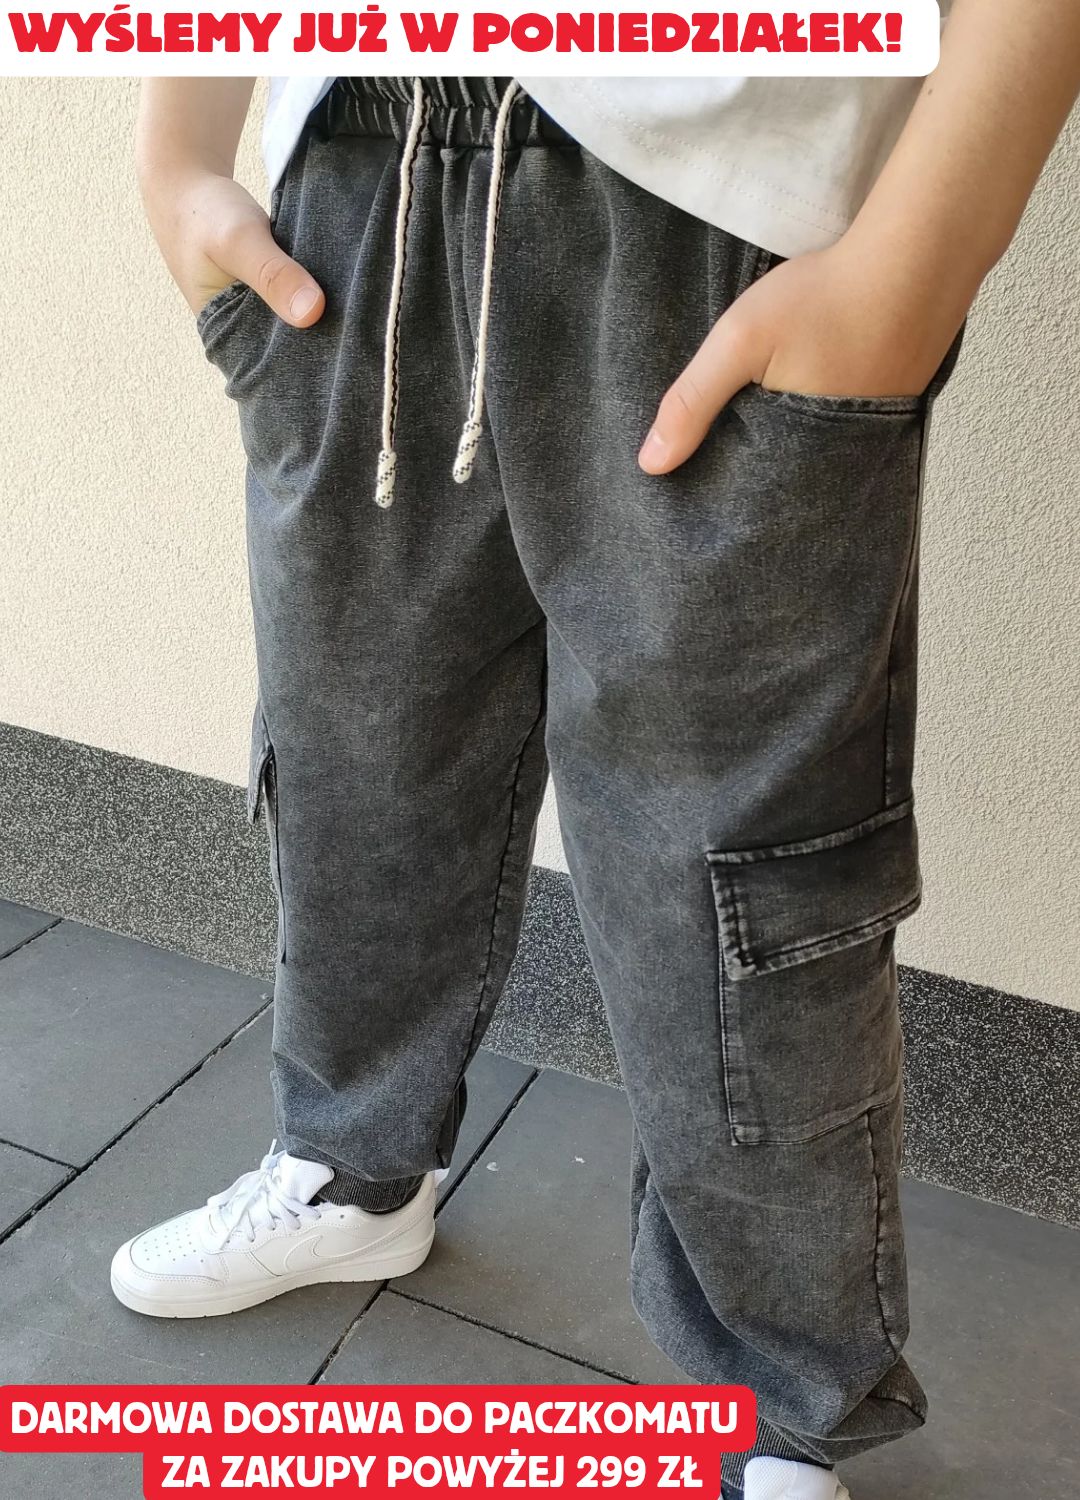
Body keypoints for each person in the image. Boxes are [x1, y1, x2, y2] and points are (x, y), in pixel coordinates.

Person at [111, 6, 1080, 1497]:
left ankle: (776, 1401)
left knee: (725, 863)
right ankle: (351, 1168)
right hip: (355, 189)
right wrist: (176, 149)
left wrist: (916, 265)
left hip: (707, 206)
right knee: (355, 760)